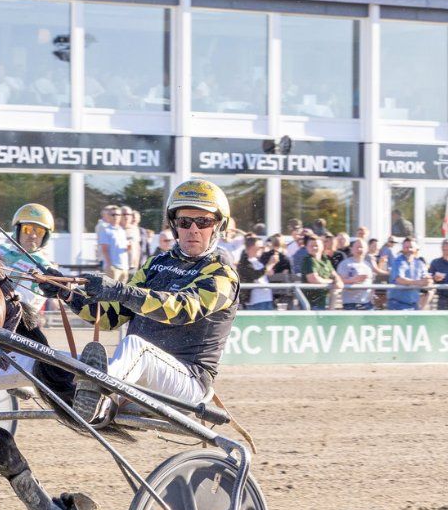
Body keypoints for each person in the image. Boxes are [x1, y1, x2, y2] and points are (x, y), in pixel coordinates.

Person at [46, 179, 240, 425]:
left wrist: (120, 291)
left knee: (136, 346)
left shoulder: (222, 274)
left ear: (217, 226)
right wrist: (65, 292)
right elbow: (108, 317)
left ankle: (98, 400)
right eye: (184, 222)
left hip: (188, 382)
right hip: (140, 376)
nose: (193, 229)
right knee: (54, 356)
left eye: (203, 222)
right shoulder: (155, 264)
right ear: (174, 226)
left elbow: (182, 309)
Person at [0, 204, 59, 392]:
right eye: (27, 229)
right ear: (17, 230)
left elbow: (30, 299)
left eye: (39, 231)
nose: (32, 235)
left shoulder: (44, 267)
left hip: (17, 318)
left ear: (45, 236)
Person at [386, 237, 431, 311]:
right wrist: (418, 282)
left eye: (411, 247)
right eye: (406, 247)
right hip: (397, 304)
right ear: (402, 249)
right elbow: (399, 279)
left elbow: (426, 277)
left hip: (413, 304)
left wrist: (429, 280)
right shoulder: (398, 261)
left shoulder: (420, 263)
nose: (409, 250)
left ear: (416, 249)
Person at [237, 235, 278, 311]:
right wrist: (270, 264)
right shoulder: (244, 263)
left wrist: (270, 268)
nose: (262, 249)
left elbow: (265, 273)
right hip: (256, 301)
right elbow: (255, 275)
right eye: (260, 247)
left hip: (267, 298)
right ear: (252, 247)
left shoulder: (256, 261)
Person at [301, 235, 340, 310]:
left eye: (316, 246)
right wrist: (331, 282)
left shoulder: (325, 260)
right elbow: (314, 279)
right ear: (307, 248)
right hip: (311, 303)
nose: (314, 248)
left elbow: (335, 275)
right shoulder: (308, 260)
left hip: (324, 301)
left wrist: (338, 281)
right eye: (311, 246)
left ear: (322, 247)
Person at [336, 238, 375, 311]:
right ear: (351, 249)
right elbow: (339, 281)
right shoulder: (345, 264)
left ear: (366, 250)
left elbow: (371, 283)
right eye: (357, 247)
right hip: (351, 303)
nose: (360, 249)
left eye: (362, 247)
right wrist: (354, 280)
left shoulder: (368, 265)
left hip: (367, 303)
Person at [96, 205, 129, 282]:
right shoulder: (105, 230)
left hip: (124, 266)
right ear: (108, 216)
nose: (115, 217)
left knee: (123, 292)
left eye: (117, 214)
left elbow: (124, 248)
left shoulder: (122, 230)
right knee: (111, 291)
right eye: (113, 214)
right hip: (113, 266)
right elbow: (104, 249)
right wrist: (110, 265)